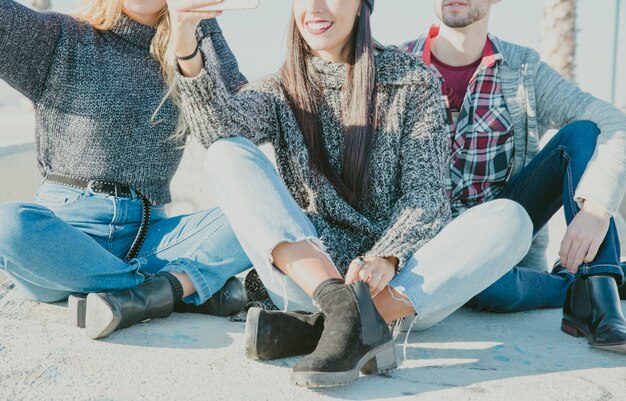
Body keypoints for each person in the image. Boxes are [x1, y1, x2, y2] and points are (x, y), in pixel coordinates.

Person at [172, 0, 533, 387]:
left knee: (510, 219)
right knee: (226, 152)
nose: (314, 7)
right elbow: (217, 129)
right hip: (306, 284)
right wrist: (185, 46)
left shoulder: (411, 81)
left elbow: (425, 197)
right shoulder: (282, 88)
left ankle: (331, 328)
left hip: (393, 285)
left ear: (363, 6)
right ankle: (341, 313)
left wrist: (387, 256)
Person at [0, 0, 253, 340]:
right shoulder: (64, 37)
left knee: (262, 213)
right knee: (7, 225)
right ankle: (168, 290)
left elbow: (238, 121)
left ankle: (143, 294)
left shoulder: (185, 51)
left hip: (151, 237)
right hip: (63, 239)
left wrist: (198, 25)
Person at [398, 0, 626, 352]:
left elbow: (614, 123)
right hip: (429, 249)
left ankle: (599, 292)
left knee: (582, 133)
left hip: (505, 226)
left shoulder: (522, 69)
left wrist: (596, 209)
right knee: (485, 285)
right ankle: (575, 283)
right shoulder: (395, 67)